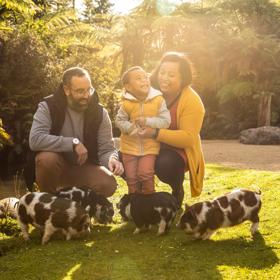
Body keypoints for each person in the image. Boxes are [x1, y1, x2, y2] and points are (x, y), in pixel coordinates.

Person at [29, 67, 123, 196]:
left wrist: (111, 160)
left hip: (84, 168)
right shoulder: (48, 106)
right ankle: (49, 201)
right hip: (57, 167)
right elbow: (35, 139)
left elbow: (106, 149)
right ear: (66, 90)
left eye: (88, 90)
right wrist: (73, 143)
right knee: (46, 159)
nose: (86, 95)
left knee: (108, 183)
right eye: (80, 91)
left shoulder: (100, 113)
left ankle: (81, 204)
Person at [138, 52, 205, 206]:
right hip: (149, 145)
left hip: (177, 150)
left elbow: (188, 138)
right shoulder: (148, 88)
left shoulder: (192, 101)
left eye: (171, 75)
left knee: (165, 164)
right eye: (162, 73)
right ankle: (140, 194)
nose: (164, 78)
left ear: (183, 78)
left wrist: (155, 133)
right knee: (124, 157)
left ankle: (177, 190)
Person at [115, 66, 170, 194]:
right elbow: (119, 120)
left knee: (145, 174)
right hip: (129, 148)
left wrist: (148, 121)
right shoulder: (126, 103)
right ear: (128, 87)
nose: (144, 80)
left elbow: (166, 121)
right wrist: (130, 128)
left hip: (149, 147)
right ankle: (134, 203)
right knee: (132, 178)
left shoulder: (158, 100)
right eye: (138, 78)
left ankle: (148, 199)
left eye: (145, 77)